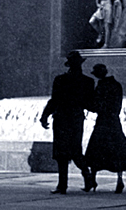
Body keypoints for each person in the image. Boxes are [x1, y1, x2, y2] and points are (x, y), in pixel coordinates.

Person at [40, 51, 95, 194]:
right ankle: (88, 177)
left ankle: (62, 185)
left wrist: (45, 115)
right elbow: (90, 103)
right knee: (76, 150)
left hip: (61, 119)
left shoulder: (60, 80)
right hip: (76, 118)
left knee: (61, 153)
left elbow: (54, 100)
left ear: (68, 65)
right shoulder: (88, 81)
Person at [84, 64, 126, 194]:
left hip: (102, 121)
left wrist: (87, 105)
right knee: (117, 150)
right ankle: (119, 180)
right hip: (114, 121)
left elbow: (96, 105)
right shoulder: (116, 85)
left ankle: (93, 179)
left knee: (96, 150)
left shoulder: (101, 86)